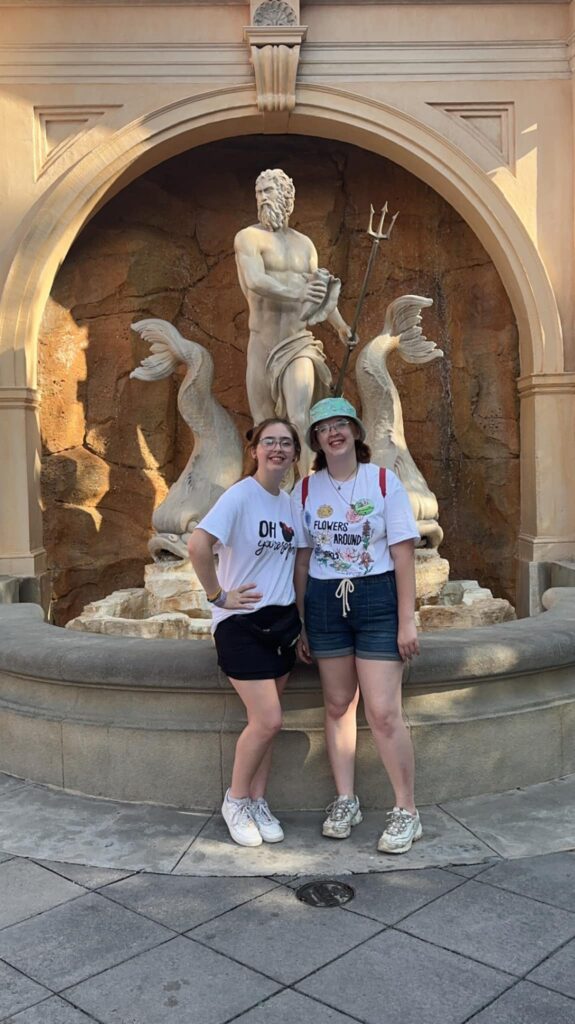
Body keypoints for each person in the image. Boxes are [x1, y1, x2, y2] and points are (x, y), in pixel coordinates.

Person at [292, 397, 422, 854]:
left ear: (356, 432)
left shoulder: (384, 482)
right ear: (315, 440)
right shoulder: (305, 491)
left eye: (341, 424)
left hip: (377, 597)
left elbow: (404, 553)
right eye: (324, 427)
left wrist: (407, 619)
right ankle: (346, 799)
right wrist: (303, 622)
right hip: (326, 602)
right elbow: (303, 560)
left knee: (384, 712)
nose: (334, 432)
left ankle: (406, 808)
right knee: (337, 704)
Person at [188, 419, 302, 848]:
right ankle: (235, 799)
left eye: (286, 443)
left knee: (264, 723)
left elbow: (300, 565)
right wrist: (218, 596)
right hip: (241, 626)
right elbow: (198, 545)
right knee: (270, 719)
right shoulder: (239, 496)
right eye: (269, 442)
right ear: (255, 450)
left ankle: (258, 800)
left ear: (294, 455)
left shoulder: (290, 505)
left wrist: (303, 621)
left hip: (283, 624)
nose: (277, 449)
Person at [234, 167, 353, 476]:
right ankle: (269, 492)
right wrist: (299, 292)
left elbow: (320, 294)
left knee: (299, 417)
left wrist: (340, 326)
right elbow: (256, 280)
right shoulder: (248, 238)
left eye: (268, 191)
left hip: (297, 342)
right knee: (264, 424)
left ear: (286, 196)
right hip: (261, 343)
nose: (261, 198)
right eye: (258, 193)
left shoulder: (305, 245)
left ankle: (306, 490)